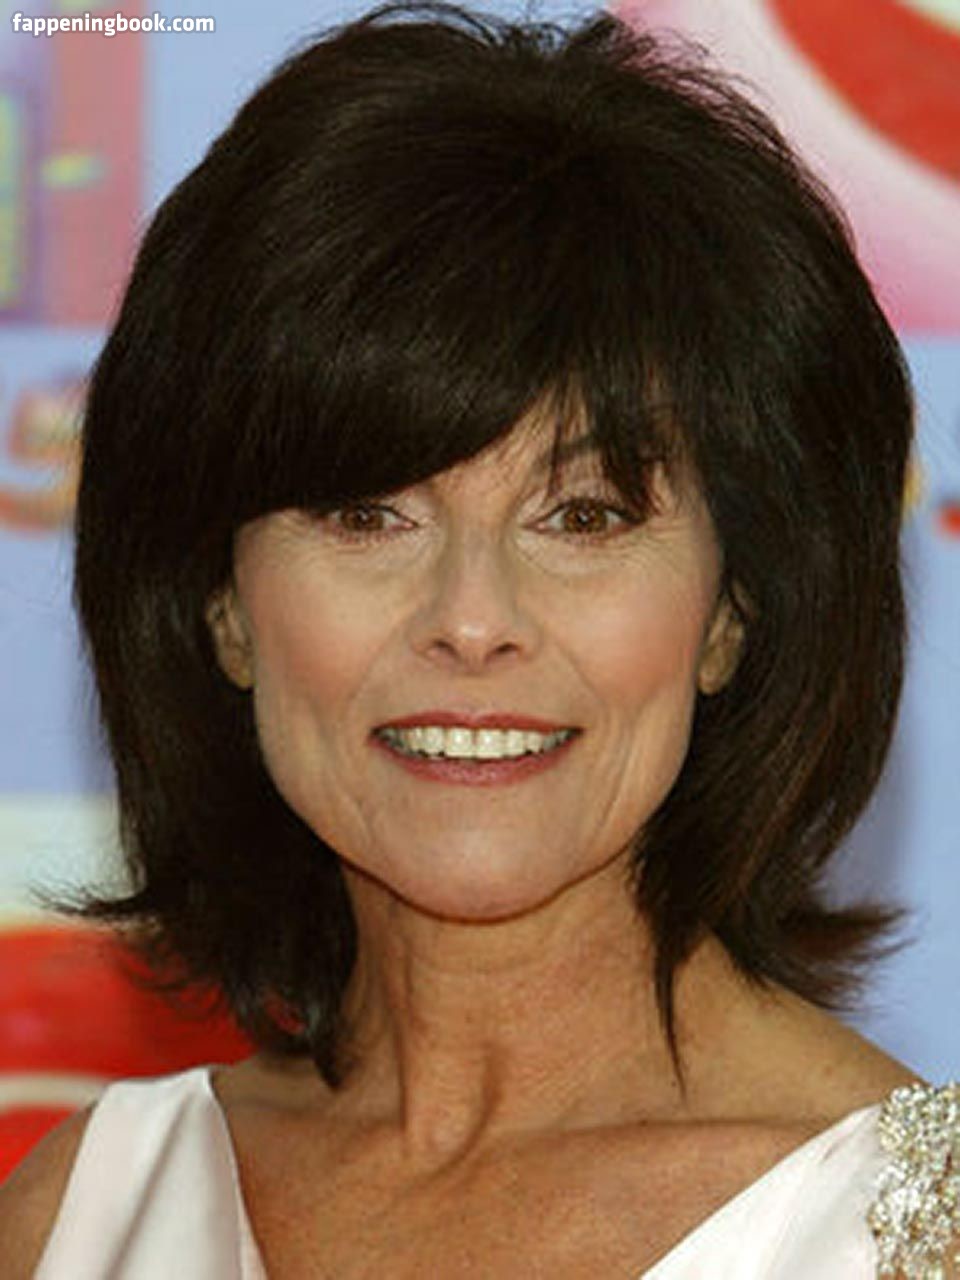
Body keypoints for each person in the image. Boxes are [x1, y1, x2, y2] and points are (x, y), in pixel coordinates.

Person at [1, 3, 957, 1275]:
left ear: (732, 614)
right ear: (220, 605)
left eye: (584, 514)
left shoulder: (920, 1234)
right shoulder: (82, 1215)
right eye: (365, 512)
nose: (470, 619)